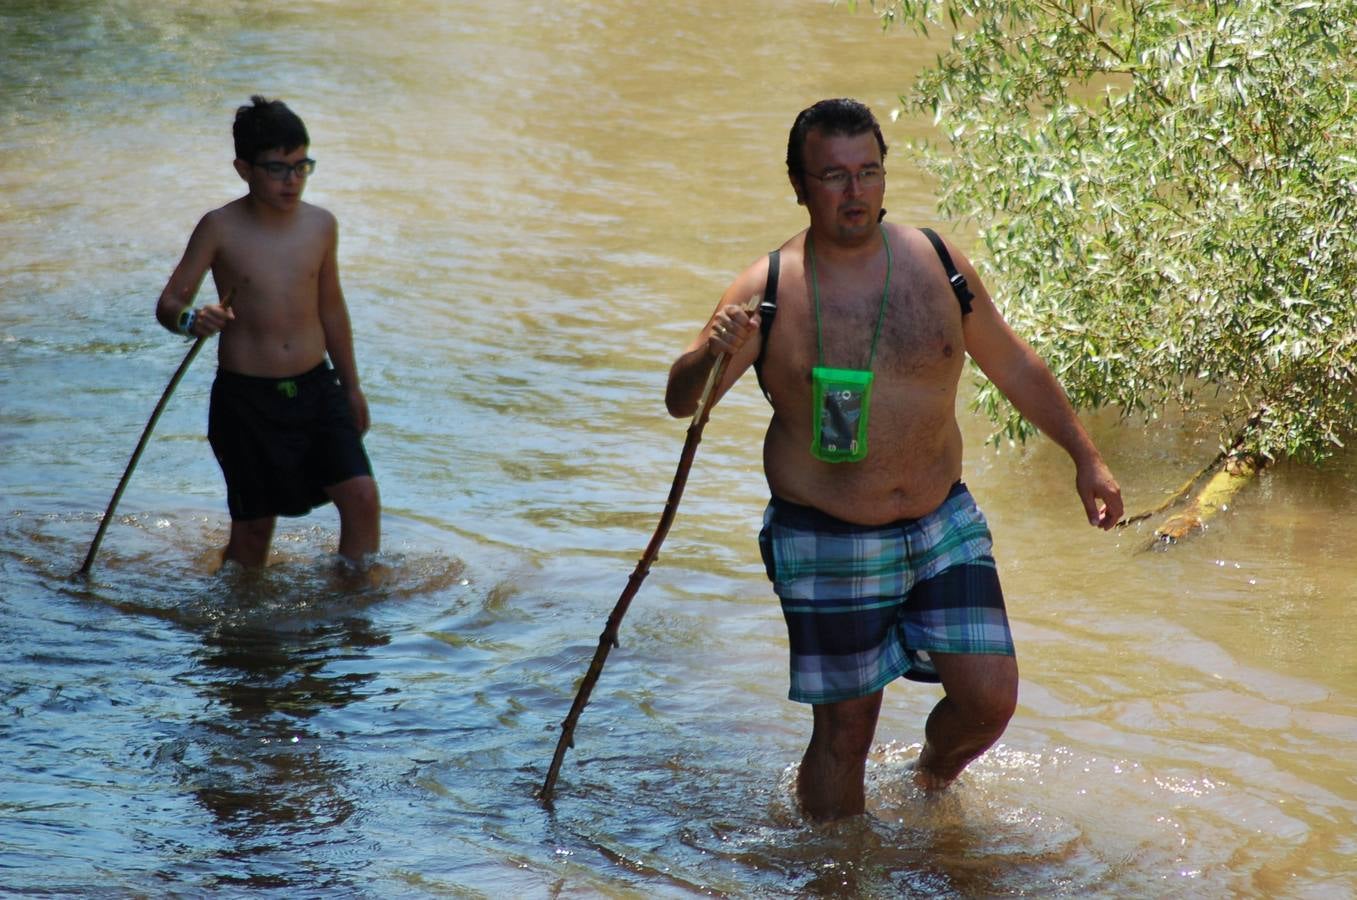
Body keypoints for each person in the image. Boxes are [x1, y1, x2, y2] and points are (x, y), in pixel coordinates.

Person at [665, 98, 1122, 821]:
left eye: (868, 172)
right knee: (845, 733)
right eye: (833, 176)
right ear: (798, 184)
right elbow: (685, 402)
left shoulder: (936, 263)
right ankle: (835, 871)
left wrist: (1085, 458)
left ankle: (929, 781)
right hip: (826, 534)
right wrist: (706, 353)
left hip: (942, 520)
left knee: (988, 701)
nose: (854, 193)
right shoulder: (769, 290)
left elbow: (1013, 364)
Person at [154, 95, 380, 569]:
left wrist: (352, 387)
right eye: (278, 168)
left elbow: (332, 309)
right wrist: (193, 320)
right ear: (243, 169)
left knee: (361, 498)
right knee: (255, 534)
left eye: (302, 166)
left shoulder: (321, 225)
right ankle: (239, 631)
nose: (292, 180)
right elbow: (170, 304)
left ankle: (354, 623)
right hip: (247, 401)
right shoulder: (220, 227)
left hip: (318, 388)